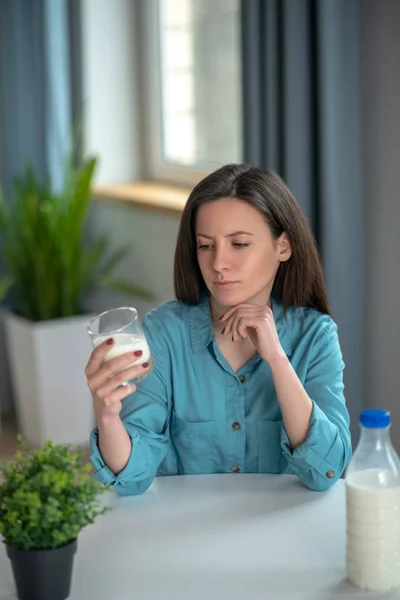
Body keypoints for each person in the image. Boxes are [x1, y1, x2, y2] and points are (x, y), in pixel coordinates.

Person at [86, 164, 352, 496]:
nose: (218, 264)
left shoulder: (316, 336)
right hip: (188, 533)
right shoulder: (164, 331)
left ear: (283, 247)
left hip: (282, 532)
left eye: (239, 244)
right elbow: (131, 478)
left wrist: (277, 360)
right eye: (205, 245)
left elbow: (326, 470)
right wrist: (108, 415)